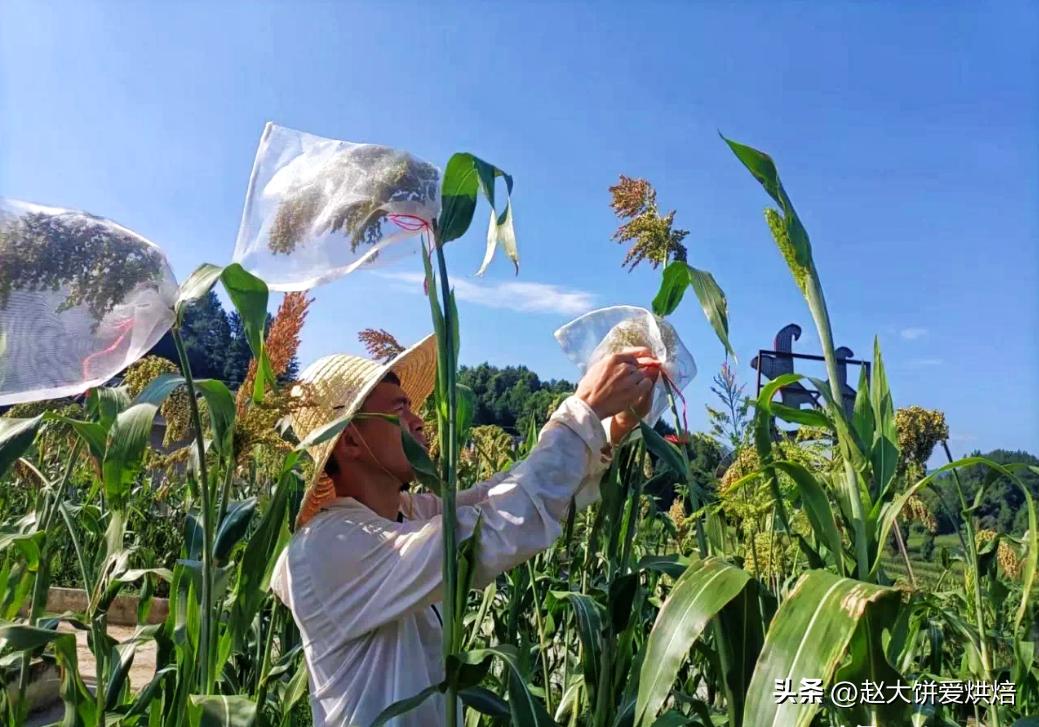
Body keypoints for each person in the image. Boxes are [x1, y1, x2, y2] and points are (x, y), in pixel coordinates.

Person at [270, 333, 659, 726]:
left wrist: (610, 427)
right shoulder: (328, 545)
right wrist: (583, 410)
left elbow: (502, 494)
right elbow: (491, 530)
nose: (419, 420)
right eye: (400, 409)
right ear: (351, 441)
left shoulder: (405, 515)